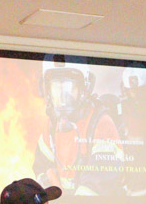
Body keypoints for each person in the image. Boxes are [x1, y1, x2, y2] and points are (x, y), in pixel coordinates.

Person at [32, 56, 125, 196]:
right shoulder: (52, 126)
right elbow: (41, 166)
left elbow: (99, 182)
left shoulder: (102, 124)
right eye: (56, 87)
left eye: (69, 87)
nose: (63, 97)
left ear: (83, 88)